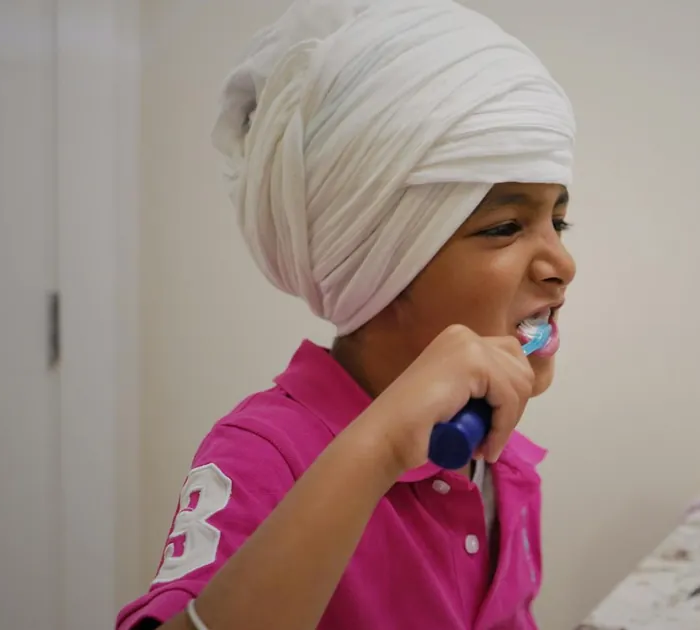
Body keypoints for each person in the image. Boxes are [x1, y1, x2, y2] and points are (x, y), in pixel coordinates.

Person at [115, 0, 577, 628]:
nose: (561, 263)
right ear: (380, 261)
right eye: (505, 227)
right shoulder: (265, 455)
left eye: (559, 221)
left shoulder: (502, 456)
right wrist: (379, 447)